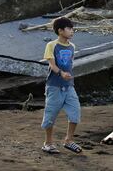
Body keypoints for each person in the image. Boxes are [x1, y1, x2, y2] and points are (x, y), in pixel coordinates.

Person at [41, 17, 82, 154]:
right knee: (50, 116)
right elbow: (52, 65)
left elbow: (70, 64)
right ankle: (48, 143)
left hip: (69, 86)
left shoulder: (72, 46)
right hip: (54, 86)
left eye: (72, 29)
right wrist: (61, 73)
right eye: (69, 29)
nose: (72, 32)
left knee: (75, 113)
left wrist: (68, 77)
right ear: (60, 31)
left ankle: (68, 141)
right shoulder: (51, 45)